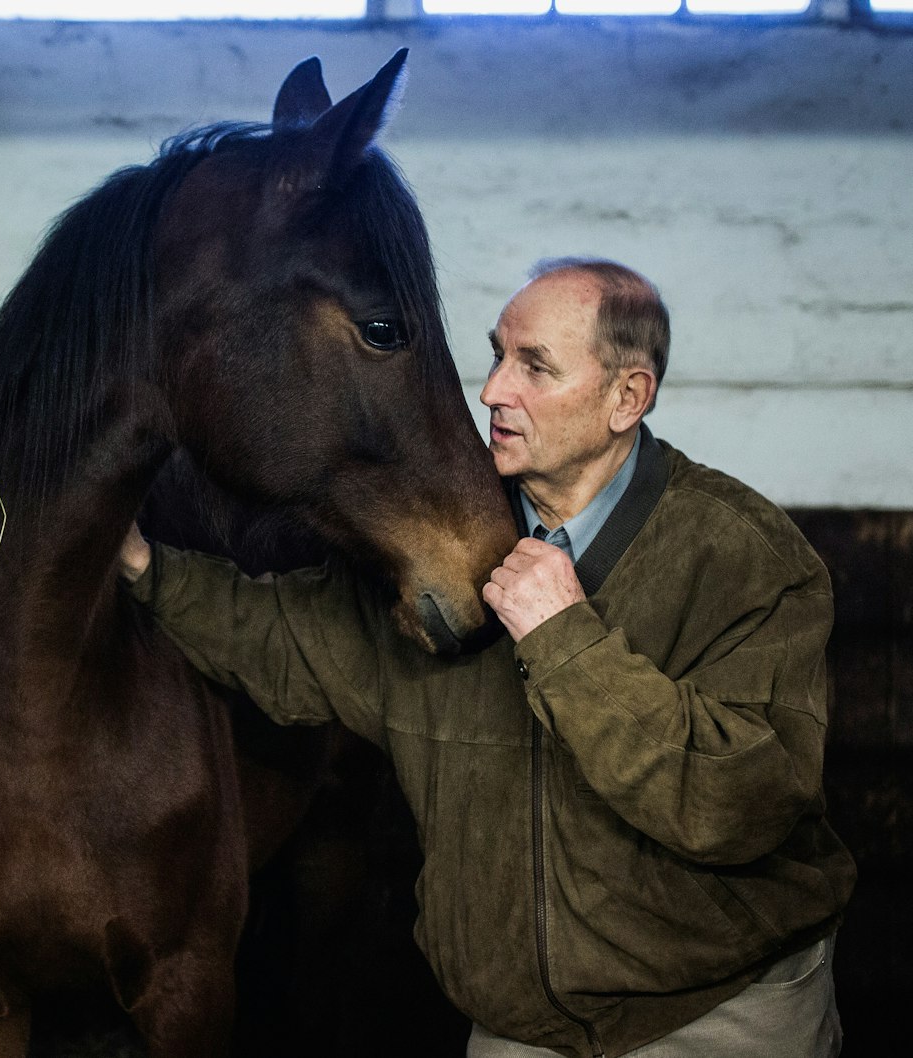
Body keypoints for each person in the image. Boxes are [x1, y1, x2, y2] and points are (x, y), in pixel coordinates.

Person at [118, 258, 856, 1058]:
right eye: (497, 355)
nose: (493, 391)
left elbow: (739, 803)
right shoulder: (444, 547)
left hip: (718, 1015)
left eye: (534, 366)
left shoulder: (741, 555)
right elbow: (285, 637)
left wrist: (565, 637)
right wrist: (141, 568)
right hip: (518, 1030)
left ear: (626, 398)